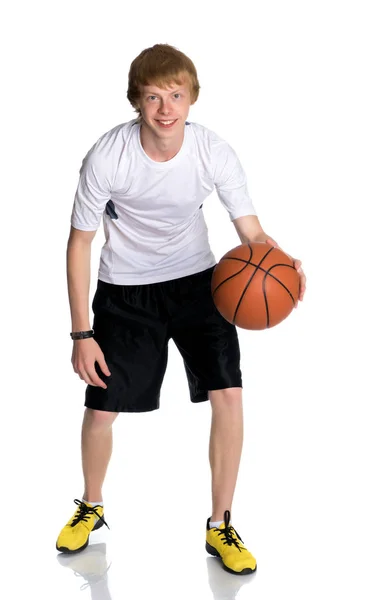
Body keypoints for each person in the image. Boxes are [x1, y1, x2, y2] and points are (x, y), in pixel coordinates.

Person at [56, 43, 306, 575]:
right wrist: (82, 333)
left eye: (176, 95)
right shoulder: (108, 156)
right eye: (153, 97)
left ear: (191, 98)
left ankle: (221, 525)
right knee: (101, 408)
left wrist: (284, 263)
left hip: (199, 283)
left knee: (230, 397)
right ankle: (91, 505)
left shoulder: (213, 151)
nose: (166, 108)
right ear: (136, 102)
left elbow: (251, 232)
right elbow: (79, 243)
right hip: (125, 290)